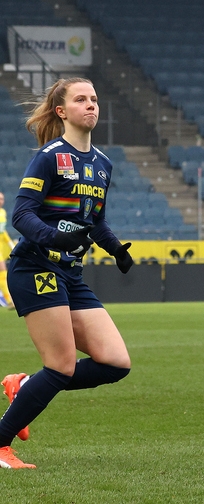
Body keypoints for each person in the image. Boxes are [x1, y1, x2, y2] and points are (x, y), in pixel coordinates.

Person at [0, 78, 134, 470]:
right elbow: (21, 214)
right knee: (60, 365)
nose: (91, 105)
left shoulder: (103, 164)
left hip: (70, 274)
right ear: (62, 111)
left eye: (94, 99)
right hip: (35, 267)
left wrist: (115, 249)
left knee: (115, 363)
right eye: (81, 100)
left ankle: (23, 387)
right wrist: (54, 237)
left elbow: (95, 221)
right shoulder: (49, 156)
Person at [0, 192, 15, 310]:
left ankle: (9, 300)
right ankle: (9, 300)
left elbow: (2, 231)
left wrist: (9, 242)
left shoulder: (3, 212)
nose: (1, 201)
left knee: (3, 270)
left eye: (2, 199)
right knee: (2, 269)